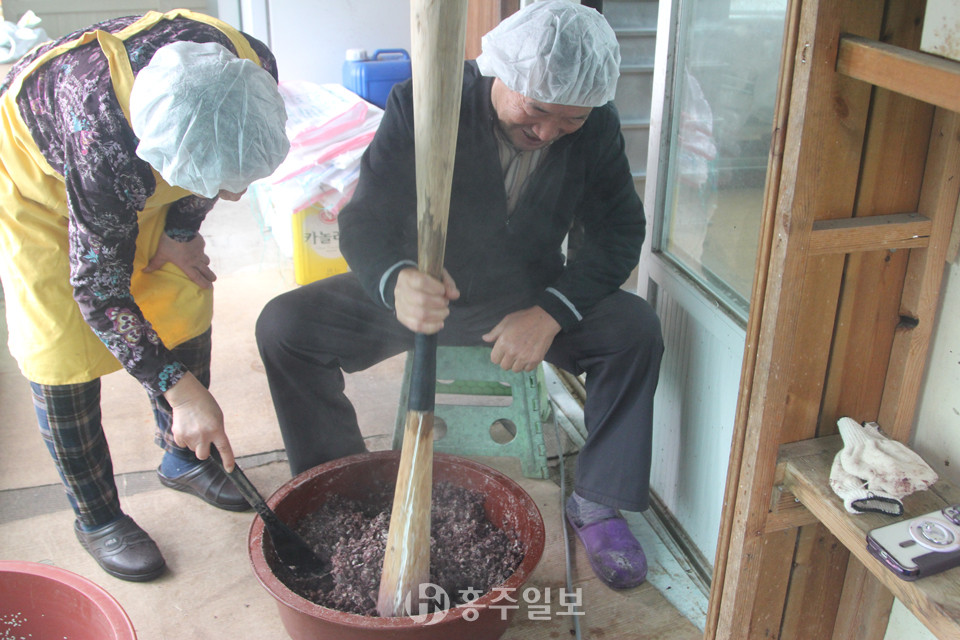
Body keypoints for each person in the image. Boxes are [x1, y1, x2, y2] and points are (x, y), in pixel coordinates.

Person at [256, 0, 662, 590]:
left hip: (525, 298)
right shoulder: (427, 102)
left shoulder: (595, 128)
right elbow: (366, 218)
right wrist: (395, 279)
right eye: (536, 110)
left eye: (569, 121)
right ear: (501, 72)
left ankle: (598, 502)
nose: (547, 133)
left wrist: (552, 311)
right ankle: (343, 495)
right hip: (427, 295)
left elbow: (619, 231)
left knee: (635, 330)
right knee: (285, 327)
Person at [0, 9, 289, 582]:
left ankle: (183, 459)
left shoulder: (249, 68)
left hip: (135, 163)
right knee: (61, 350)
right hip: (40, 181)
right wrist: (182, 392)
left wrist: (180, 232)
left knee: (181, 296)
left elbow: (219, 149)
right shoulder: (102, 144)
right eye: (221, 184)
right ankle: (98, 518)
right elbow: (99, 290)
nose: (234, 197)